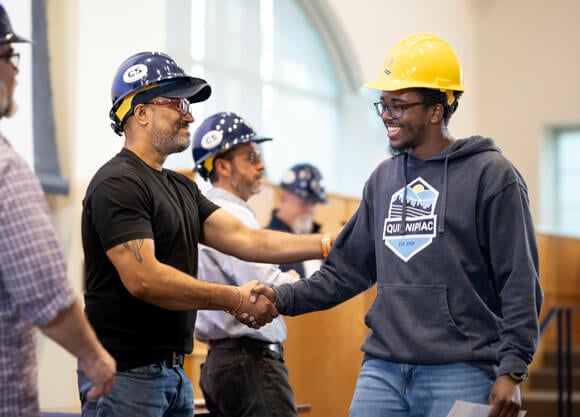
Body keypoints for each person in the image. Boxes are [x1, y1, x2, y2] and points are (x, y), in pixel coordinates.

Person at [247, 33, 543, 417]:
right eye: (383, 105)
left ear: (436, 110)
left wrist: (513, 370)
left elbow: (519, 280)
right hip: (382, 370)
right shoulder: (383, 179)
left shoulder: (491, 175)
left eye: (399, 105)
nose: (387, 115)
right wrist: (281, 297)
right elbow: (345, 270)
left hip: (462, 369)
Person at [79, 52, 335, 417]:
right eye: (178, 104)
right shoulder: (119, 182)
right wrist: (233, 298)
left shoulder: (180, 188)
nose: (190, 114)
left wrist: (329, 243)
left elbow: (248, 240)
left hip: (173, 374)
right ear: (141, 112)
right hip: (126, 374)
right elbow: (144, 279)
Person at [0, 4, 116, 417]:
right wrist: (95, 359)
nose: (16, 72)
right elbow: (45, 292)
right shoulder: (6, 169)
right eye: (9, 57)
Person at [192, 111, 302, 417]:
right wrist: (295, 280)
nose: (262, 165)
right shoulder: (231, 216)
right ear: (223, 166)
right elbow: (266, 289)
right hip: (249, 362)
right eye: (250, 157)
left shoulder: (211, 213)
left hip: (225, 363)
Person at [266, 163, 328, 277]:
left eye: (313, 204)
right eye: (304, 203)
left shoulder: (321, 242)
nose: (309, 210)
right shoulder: (265, 242)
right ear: (283, 199)